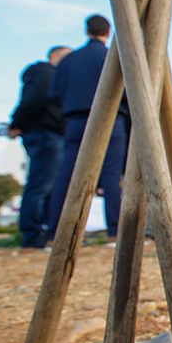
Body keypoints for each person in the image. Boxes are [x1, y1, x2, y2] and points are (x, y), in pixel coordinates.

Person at [47, 14, 128, 240]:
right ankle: (115, 231)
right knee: (111, 176)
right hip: (111, 120)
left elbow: (54, 94)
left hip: (76, 120)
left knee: (67, 175)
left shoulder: (69, 60)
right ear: (108, 32)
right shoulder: (113, 56)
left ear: (86, 31)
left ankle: (56, 231)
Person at [8, 45, 70, 247]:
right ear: (54, 56)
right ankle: (33, 235)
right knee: (41, 184)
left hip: (51, 134)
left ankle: (45, 232)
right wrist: (17, 123)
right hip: (45, 133)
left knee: (49, 185)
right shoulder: (43, 73)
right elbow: (31, 101)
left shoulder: (53, 76)